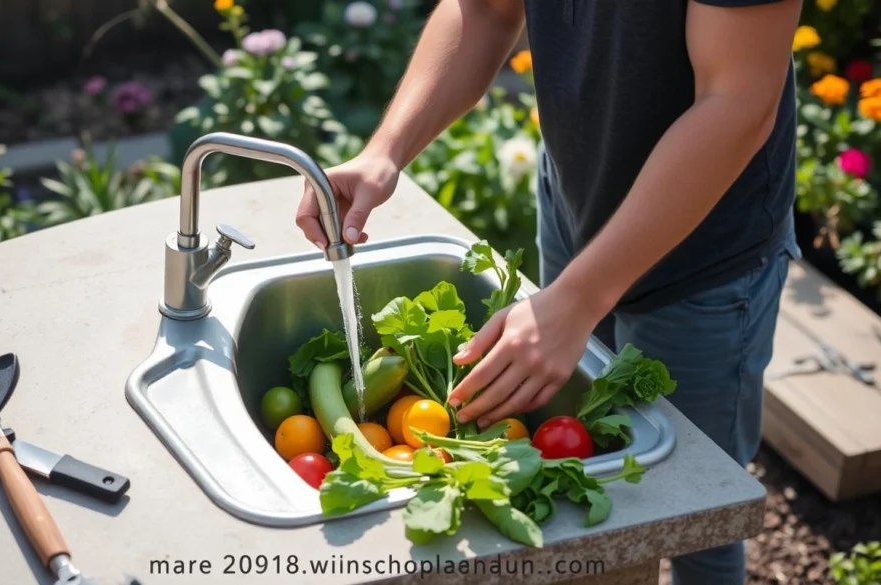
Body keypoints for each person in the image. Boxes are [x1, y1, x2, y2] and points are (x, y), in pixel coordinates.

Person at [295, 1, 803, 583]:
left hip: (705, 263)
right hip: (573, 202)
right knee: (587, 489)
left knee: (700, 519)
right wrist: (386, 149)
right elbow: (486, 10)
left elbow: (737, 101)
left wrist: (579, 299)